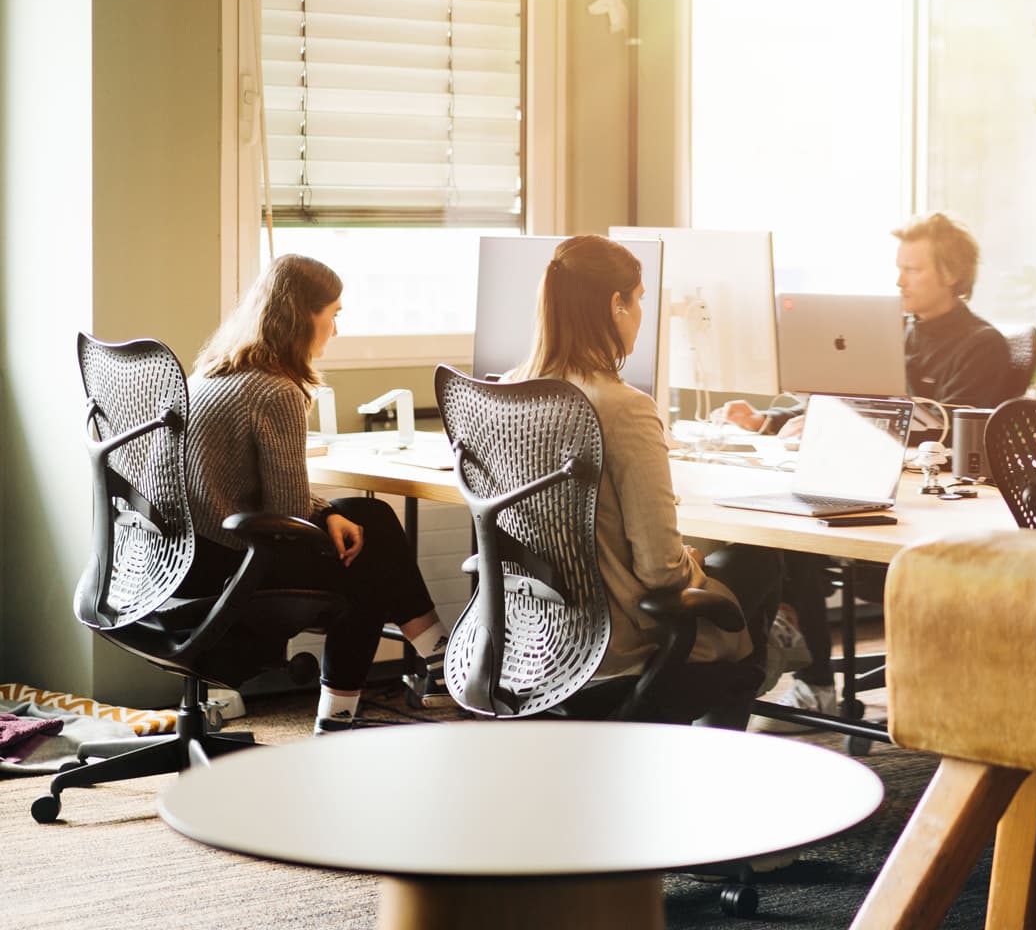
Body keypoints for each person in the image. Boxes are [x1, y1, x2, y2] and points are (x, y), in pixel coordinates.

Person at [725, 212, 1021, 728]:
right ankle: (812, 683)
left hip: (929, 505)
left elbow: (944, 433)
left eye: (913, 269)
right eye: (898, 267)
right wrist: (773, 420)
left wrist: (853, 427)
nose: (899, 280)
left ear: (950, 274)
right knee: (783, 530)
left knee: (799, 532)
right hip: (871, 482)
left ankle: (807, 675)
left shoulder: (982, 344)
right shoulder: (895, 332)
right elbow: (851, 393)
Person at [513, 234, 782, 727]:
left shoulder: (507, 393)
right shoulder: (625, 408)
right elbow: (661, 573)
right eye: (638, 301)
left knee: (737, 576)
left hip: (532, 641)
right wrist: (687, 561)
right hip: (617, 646)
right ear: (616, 305)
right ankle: (707, 744)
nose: (640, 314)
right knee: (762, 566)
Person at [185, 255, 452, 736]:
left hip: (189, 557)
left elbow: (271, 497)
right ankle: (433, 665)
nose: (335, 328)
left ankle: (434, 664)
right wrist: (323, 514)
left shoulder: (215, 371)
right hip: (230, 562)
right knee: (367, 559)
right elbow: (287, 511)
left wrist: (328, 511)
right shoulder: (275, 391)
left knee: (368, 516)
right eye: (333, 314)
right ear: (302, 315)